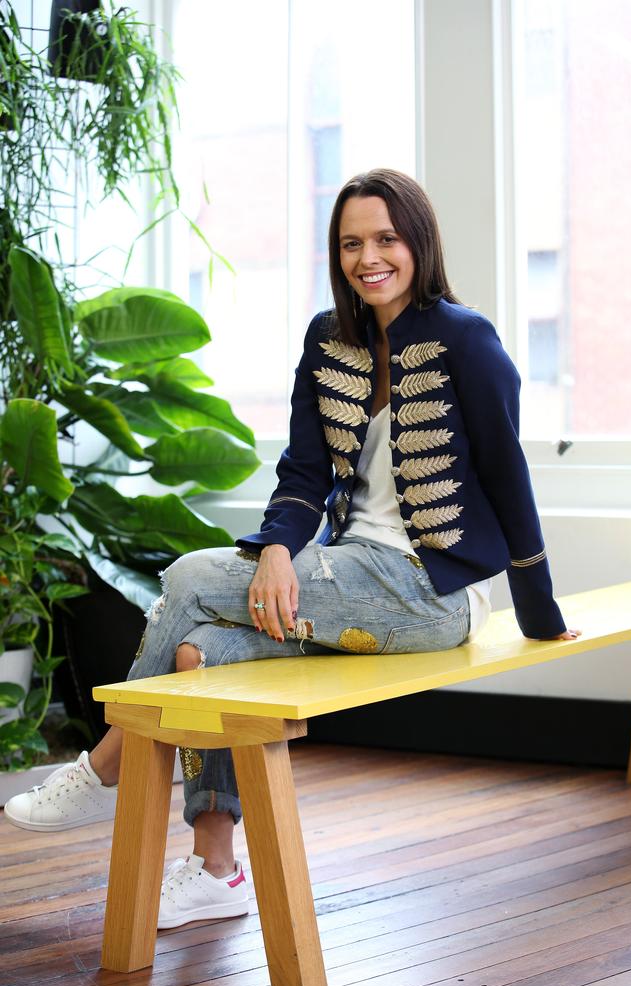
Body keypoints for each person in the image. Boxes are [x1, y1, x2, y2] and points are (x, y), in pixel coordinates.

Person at [3, 168, 580, 928]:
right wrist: (276, 549)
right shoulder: (328, 339)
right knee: (199, 654)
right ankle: (216, 871)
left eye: (385, 239)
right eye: (351, 243)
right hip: (341, 575)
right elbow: (304, 472)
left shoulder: (466, 341)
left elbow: (509, 476)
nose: (368, 257)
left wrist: (538, 612)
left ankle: (105, 764)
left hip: (429, 590)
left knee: (187, 574)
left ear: (418, 243)